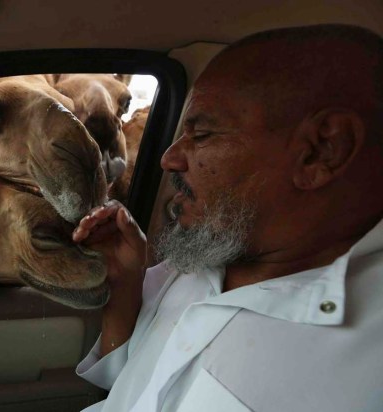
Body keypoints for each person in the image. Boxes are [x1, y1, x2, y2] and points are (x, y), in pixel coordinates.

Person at [72, 24, 383, 412]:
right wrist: (125, 288)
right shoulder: (204, 256)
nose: (169, 158)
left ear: (322, 150)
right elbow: (131, 388)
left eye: (201, 135)